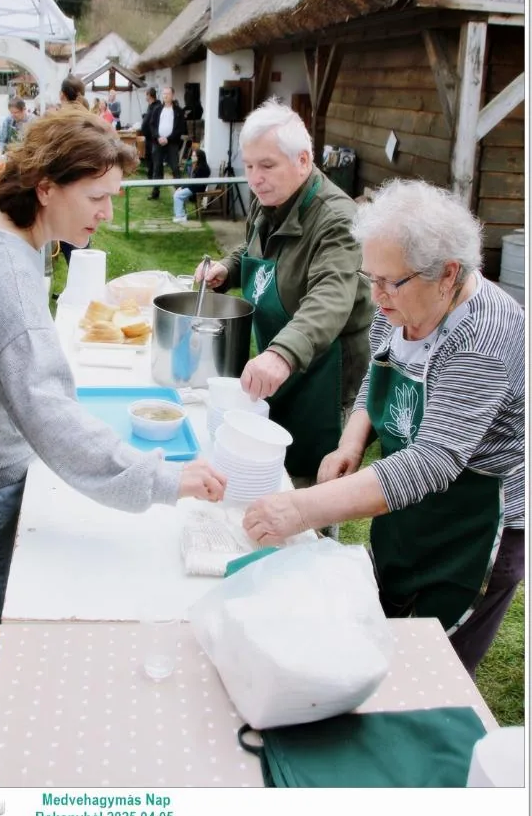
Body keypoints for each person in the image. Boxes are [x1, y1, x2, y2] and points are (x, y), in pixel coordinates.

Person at [0, 112, 226, 723]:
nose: (107, 213)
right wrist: (164, 479)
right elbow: (51, 416)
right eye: (97, 197)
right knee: (3, 591)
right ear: (46, 187)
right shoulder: (3, 274)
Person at [243, 179, 525, 678]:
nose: (375, 296)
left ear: (448, 274)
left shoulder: (482, 337)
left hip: (476, 523)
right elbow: (379, 370)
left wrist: (302, 507)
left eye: (389, 283)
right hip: (408, 510)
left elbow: (433, 461)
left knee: (431, 671)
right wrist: (352, 441)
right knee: (373, 638)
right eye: (369, 277)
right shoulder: (401, 304)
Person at [194, 98, 372, 485]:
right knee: (264, 468)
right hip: (284, 364)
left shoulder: (338, 220)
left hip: (325, 377)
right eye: (249, 166)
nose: (254, 178)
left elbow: (329, 298)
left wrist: (281, 354)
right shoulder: (269, 202)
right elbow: (255, 249)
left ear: (303, 161)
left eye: (267, 165)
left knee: (307, 486)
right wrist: (228, 267)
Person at [147, 85, 186, 200]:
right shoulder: (157, 109)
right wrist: (158, 137)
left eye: (168, 94)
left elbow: (180, 128)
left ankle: (179, 192)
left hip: (172, 143)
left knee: (175, 167)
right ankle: (155, 192)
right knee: (157, 167)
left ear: (172, 95)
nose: (165, 96)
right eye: (164, 94)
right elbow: (152, 125)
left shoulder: (178, 111)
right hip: (158, 142)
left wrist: (168, 139)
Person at [172, 148, 211, 223]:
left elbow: (195, 183)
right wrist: (182, 187)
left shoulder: (202, 168)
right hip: (193, 187)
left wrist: (182, 187)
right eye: (192, 155)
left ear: (199, 157)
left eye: (194, 156)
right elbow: (191, 180)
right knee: (177, 193)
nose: (191, 157)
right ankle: (181, 215)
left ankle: (180, 216)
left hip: (196, 189)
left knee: (177, 196)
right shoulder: (195, 165)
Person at [140, 86, 160, 180]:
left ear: (150, 95)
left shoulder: (156, 106)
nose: (146, 97)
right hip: (148, 137)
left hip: (153, 137)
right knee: (149, 156)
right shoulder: (150, 106)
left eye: (146, 95)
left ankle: (153, 176)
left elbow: (153, 121)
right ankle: (150, 174)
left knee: (153, 157)